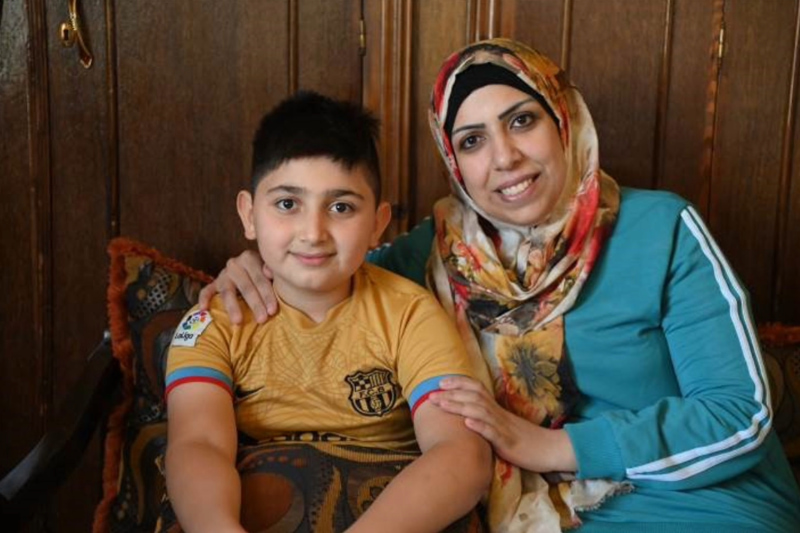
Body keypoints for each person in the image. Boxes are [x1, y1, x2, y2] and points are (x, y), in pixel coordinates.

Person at [200, 39, 800, 532]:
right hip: (537, 520)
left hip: (707, 506)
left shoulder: (662, 228)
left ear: (563, 120)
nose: (505, 157)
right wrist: (250, 267)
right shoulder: (431, 253)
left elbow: (739, 416)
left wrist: (549, 448)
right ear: (453, 161)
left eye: (522, 120)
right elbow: (325, 261)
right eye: (472, 140)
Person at [164, 91, 492, 533]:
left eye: (341, 207)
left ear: (378, 223)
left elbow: (462, 455)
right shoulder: (215, 323)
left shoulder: (410, 313)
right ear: (249, 214)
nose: (313, 232)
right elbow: (197, 443)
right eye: (287, 204)